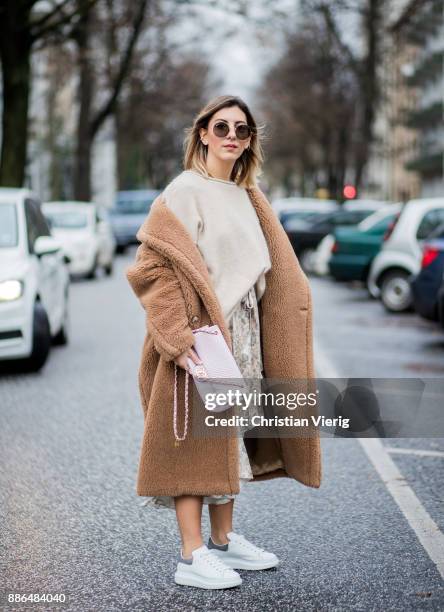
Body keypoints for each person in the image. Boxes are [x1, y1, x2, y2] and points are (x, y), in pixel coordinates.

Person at [126, 94, 322, 590]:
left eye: (242, 128)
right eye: (222, 127)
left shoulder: (249, 195)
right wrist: (177, 336)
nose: (231, 135)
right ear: (203, 134)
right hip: (201, 336)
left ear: (250, 139)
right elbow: (152, 268)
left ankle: (223, 540)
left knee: (229, 438)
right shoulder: (183, 191)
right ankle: (191, 555)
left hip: (245, 331)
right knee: (194, 441)